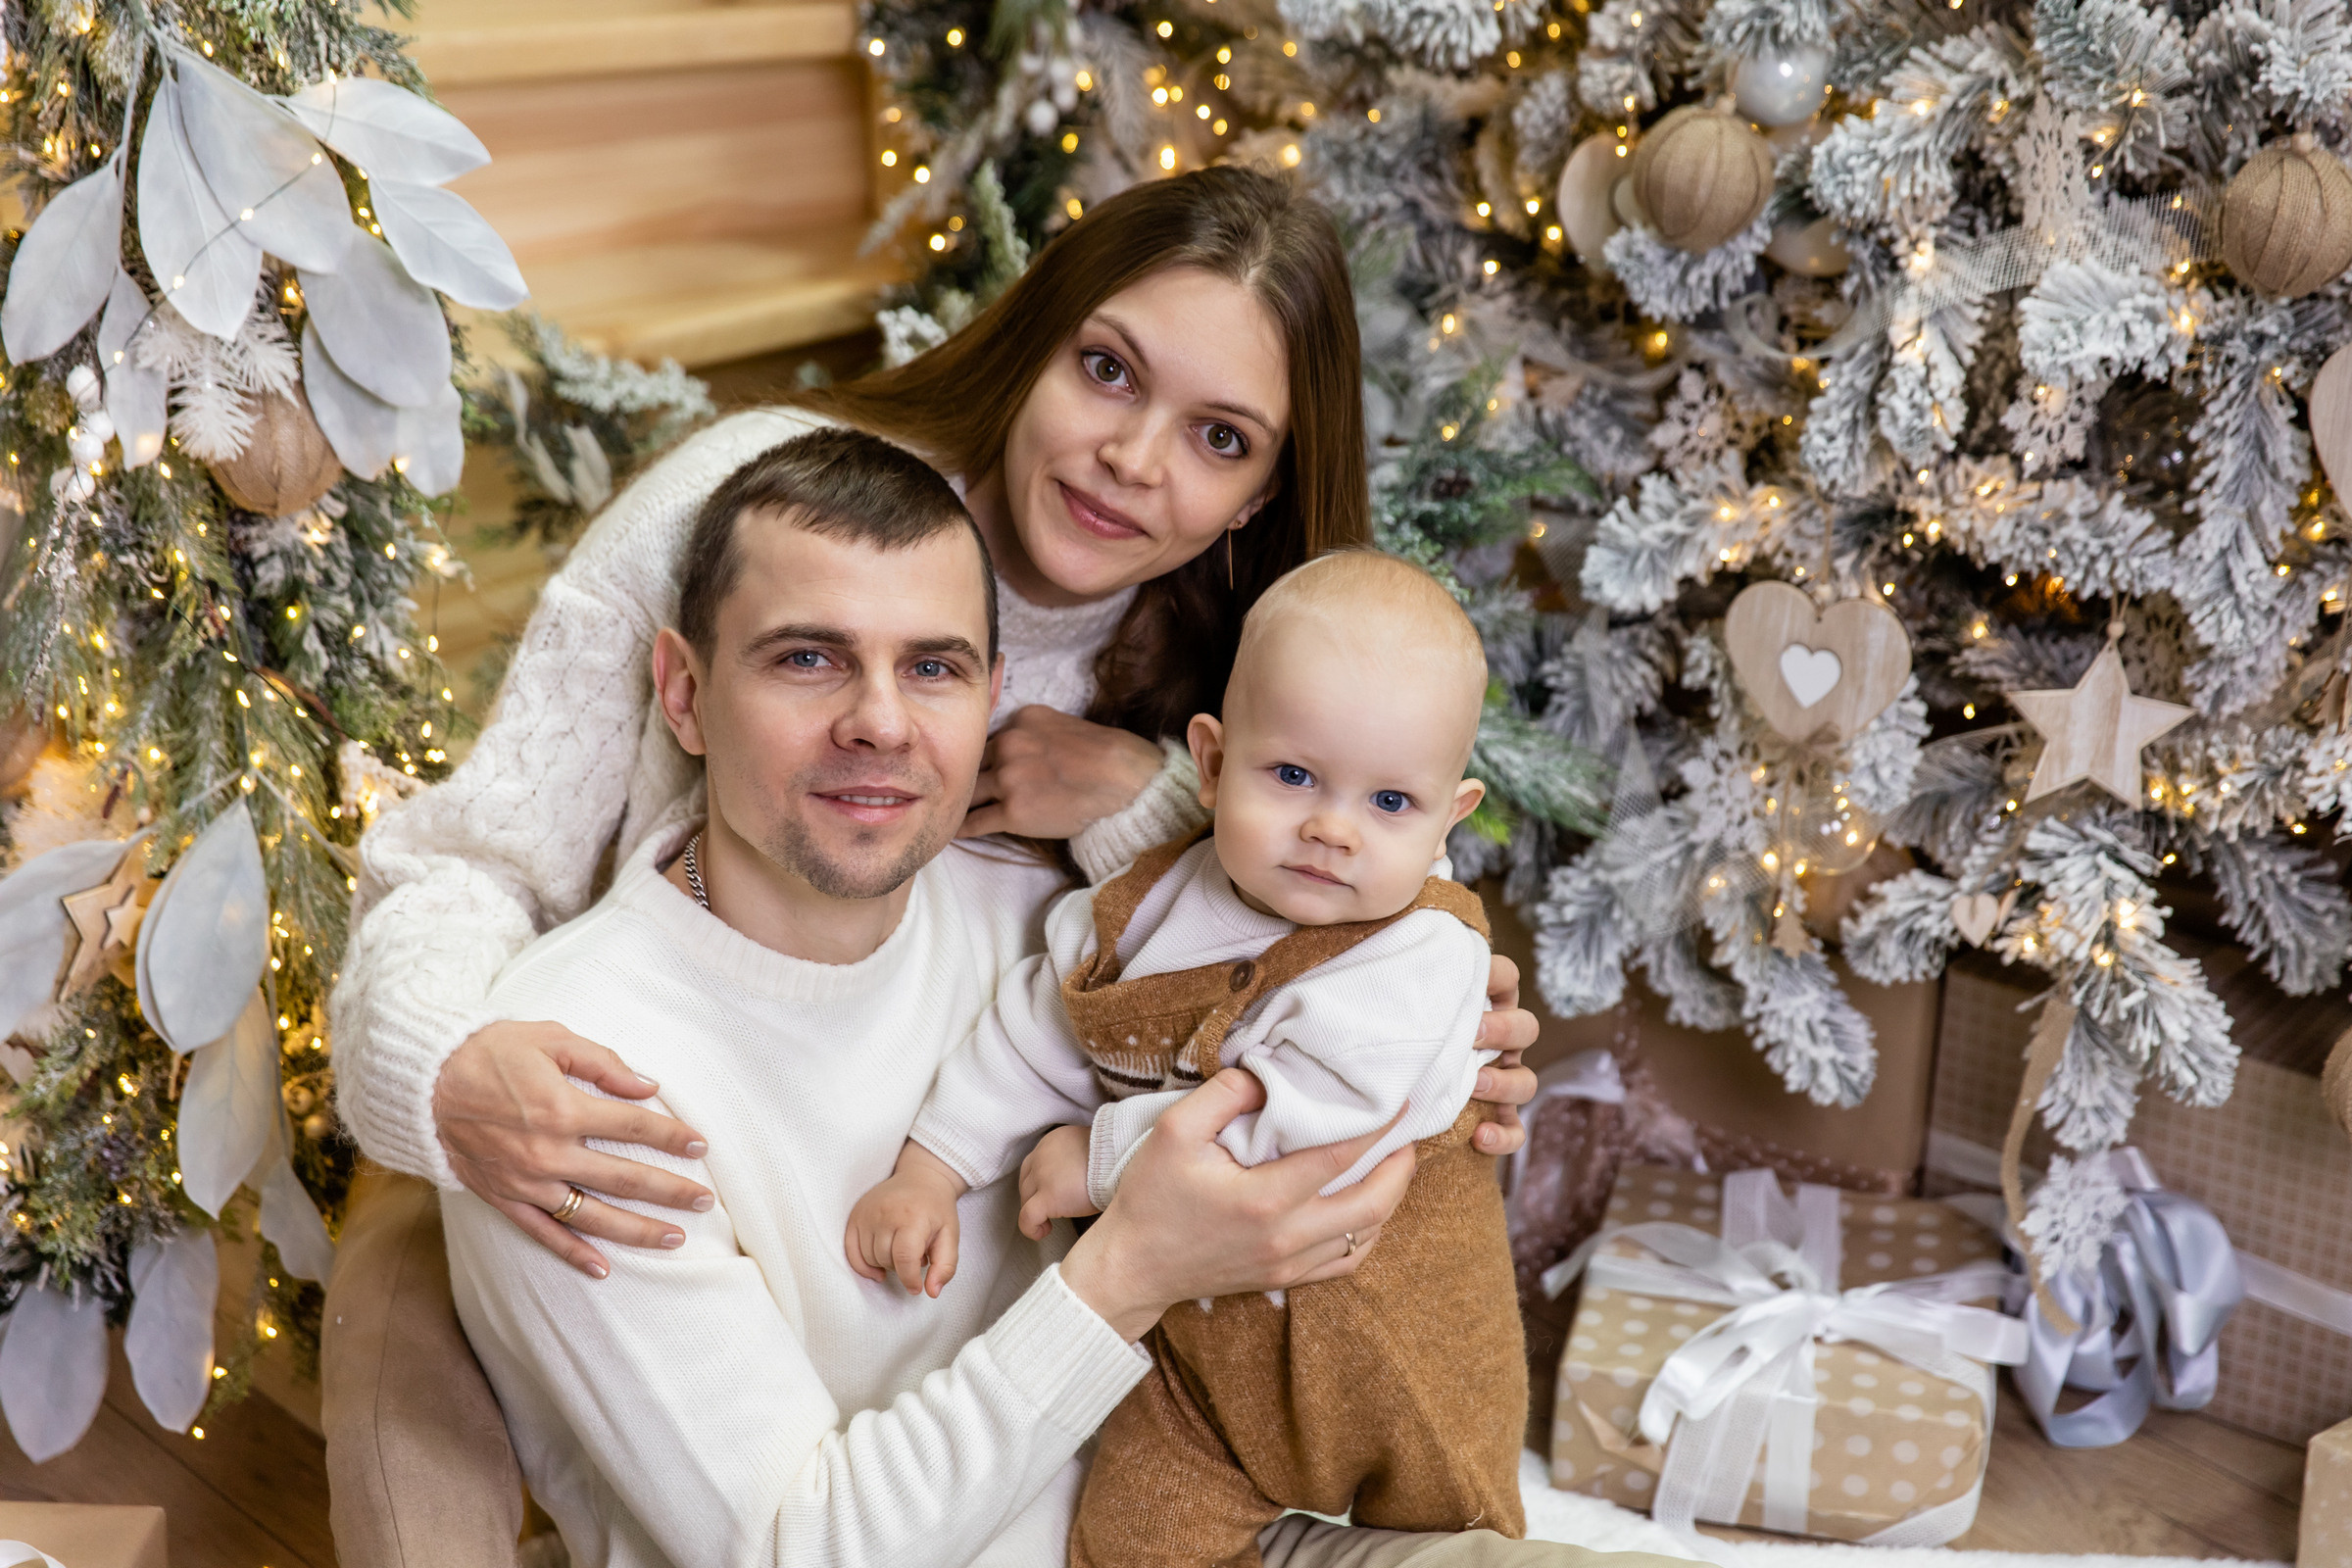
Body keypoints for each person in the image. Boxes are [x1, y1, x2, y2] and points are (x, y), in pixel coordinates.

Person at [440, 428, 1674, 1568]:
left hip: (1223, 1514)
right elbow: (795, 1549)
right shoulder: (571, 1085)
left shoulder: (1021, 903)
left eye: (933, 667)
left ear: (990, 696)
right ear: (683, 692)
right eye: (808, 658)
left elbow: (1288, 936)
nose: (879, 722)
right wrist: (1128, 1270)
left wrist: (1438, 1020)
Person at [328, 166, 1544, 1276]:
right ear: (1033, 344)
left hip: (991, 1236)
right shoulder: (758, 508)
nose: (1131, 458)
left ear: (1258, 495)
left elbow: (1370, 933)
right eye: (1109, 371)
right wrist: (439, 1071)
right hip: (678, 1140)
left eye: (1218, 437)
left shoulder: (1271, 650)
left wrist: (1153, 800)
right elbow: (478, 859)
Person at [849, 551, 1528, 1568]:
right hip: (1194, 1366)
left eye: (1391, 802)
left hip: (1396, 1347)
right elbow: (1040, 1027)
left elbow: (1306, 1131)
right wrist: (931, 1169)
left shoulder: (1420, 955)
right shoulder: (1150, 904)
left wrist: (1099, 1157)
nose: (1332, 829)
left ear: (1449, 816)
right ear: (1210, 763)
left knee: (1455, 1547)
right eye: (1292, 776)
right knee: (1130, 1542)